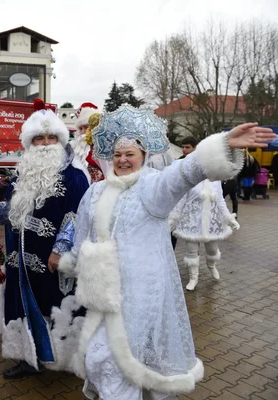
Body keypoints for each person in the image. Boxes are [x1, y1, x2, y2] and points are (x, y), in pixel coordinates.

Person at [56, 104, 274, 399]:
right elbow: (83, 234)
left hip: (141, 295)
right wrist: (71, 261)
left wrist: (221, 145)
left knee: (122, 362)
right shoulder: (95, 191)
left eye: (130, 154)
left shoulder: (152, 188)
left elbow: (183, 173)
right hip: (102, 294)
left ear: (143, 157)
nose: (122, 160)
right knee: (100, 360)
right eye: (118, 154)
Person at [0, 101, 89, 378]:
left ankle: (60, 358)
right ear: (30, 143)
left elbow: (77, 216)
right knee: (23, 306)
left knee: (54, 307)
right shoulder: (22, 174)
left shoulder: (75, 177)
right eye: (39, 138)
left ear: (60, 139)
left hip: (52, 261)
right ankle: (29, 357)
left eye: (51, 137)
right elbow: (14, 212)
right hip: (21, 259)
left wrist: (60, 250)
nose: (45, 143)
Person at [170, 180, 239, 291]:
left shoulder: (215, 180)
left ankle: (211, 265)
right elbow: (180, 201)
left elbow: (220, 201)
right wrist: (173, 219)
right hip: (192, 221)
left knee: (212, 250)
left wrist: (230, 219)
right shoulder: (190, 178)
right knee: (191, 251)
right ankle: (193, 278)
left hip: (211, 222)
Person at [171, 136, 198, 249]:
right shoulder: (178, 161)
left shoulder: (200, 163)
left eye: (187, 147)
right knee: (172, 230)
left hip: (194, 202)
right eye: (182, 147)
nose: (184, 150)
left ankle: (193, 259)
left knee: (194, 236)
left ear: (195, 148)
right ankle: (171, 253)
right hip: (178, 200)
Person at [71, 102, 105, 183]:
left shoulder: (102, 150)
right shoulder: (72, 149)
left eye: (86, 127)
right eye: (80, 128)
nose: (83, 132)